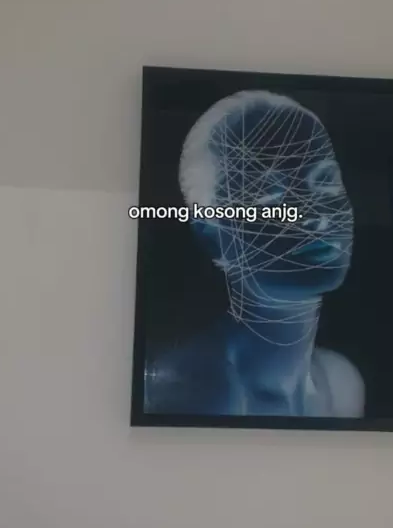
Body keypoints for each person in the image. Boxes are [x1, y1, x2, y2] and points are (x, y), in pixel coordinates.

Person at [144, 90, 365, 418]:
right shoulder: (189, 394)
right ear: (211, 232)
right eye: (269, 195)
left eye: (326, 181)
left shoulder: (341, 382)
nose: (314, 213)